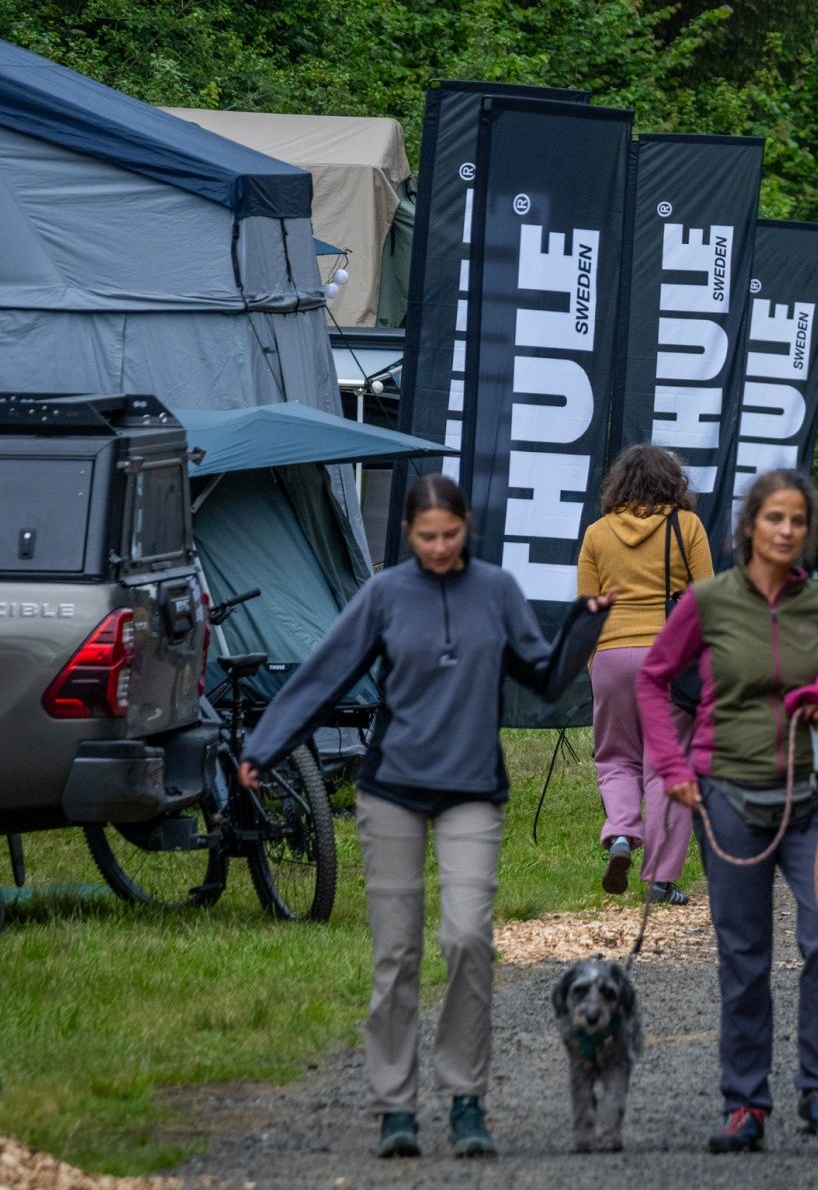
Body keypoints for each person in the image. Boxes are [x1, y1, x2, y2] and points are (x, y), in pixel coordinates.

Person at [241, 474, 573, 1160]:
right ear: (407, 534)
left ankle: (465, 1099)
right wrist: (265, 746)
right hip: (392, 789)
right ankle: (395, 1106)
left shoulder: (497, 591)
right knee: (396, 954)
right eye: (427, 537)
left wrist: (587, 624)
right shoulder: (386, 593)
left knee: (467, 938)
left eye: (450, 535)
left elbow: (544, 675)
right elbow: (325, 672)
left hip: (471, 788)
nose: (440, 547)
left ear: (466, 526)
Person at [639, 468, 818, 1151]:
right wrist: (673, 768)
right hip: (727, 796)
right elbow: (652, 680)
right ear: (750, 525)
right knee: (744, 955)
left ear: (808, 530)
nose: (786, 530)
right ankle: (745, 1103)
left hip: (813, 796)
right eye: (774, 517)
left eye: (797, 520)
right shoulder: (707, 601)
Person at [577, 445, 713, 905]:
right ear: (673, 482)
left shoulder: (597, 533)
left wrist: (594, 662)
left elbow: (587, 608)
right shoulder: (687, 526)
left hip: (611, 654)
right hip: (669, 657)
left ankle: (620, 833)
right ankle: (659, 879)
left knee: (615, 757)